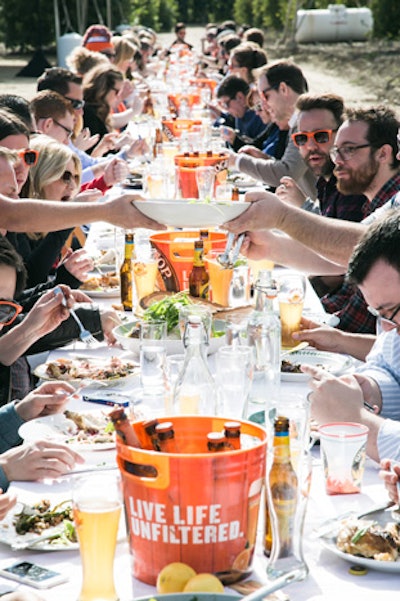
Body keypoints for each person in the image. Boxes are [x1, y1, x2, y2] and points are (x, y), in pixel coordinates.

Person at [225, 106, 400, 276]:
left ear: (383, 154)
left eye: (348, 150)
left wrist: (283, 217)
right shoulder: (383, 201)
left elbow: (366, 249)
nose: (337, 160)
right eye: (336, 151)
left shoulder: (386, 201)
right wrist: (269, 246)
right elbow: (344, 256)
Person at [305, 210, 400, 463]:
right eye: (380, 314)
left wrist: (356, 421)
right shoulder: (394, 326)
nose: (390, 328)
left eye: (392, 311)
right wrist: (370, 388)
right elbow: (387, 364)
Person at [276, 93, 367, 303]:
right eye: (302, 138)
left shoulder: (352, 187)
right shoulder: (326, 181)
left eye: (321, 136)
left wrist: (295, 298)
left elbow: (339, 269)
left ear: (341, 136)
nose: (311, 146)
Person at [226, 61, 317, 199]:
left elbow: (286, 173)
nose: (262, 105)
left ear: (283, 89)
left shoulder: (306, 122)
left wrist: (235, 161)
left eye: (265, 96)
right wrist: (266, 159)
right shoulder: (299, 120)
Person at [215, 75, 266, 151]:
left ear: (240, 97)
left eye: (226, 104)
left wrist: (235, 140)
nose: (227, 110)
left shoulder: (259, 117)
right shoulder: (240, 113)